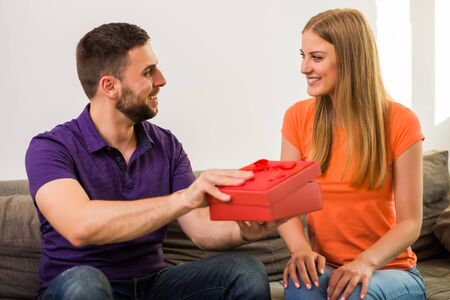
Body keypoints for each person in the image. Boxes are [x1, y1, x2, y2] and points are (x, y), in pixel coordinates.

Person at [25, 22, 279, 300]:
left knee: (244, 270)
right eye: (148, 72)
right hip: (80, 287)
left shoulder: (166, 145)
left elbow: (201, 230)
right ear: (110, 86)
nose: (161, 79)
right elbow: (79, 227)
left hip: (152, 285)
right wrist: (184, 198)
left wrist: (244, 231)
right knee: (85, 283)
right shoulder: (51, 147)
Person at [279, 8, 426, 300]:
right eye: (303, 56)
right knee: (298, 286)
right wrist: (300, 250)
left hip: (391, 270)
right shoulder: (297, 117)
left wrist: (364, 263)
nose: (304, 68)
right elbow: (284, 202)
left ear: (349, 59)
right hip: (329, 267)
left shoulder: (401, 121)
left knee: (355, 292)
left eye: (316, 58)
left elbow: (411, 223)